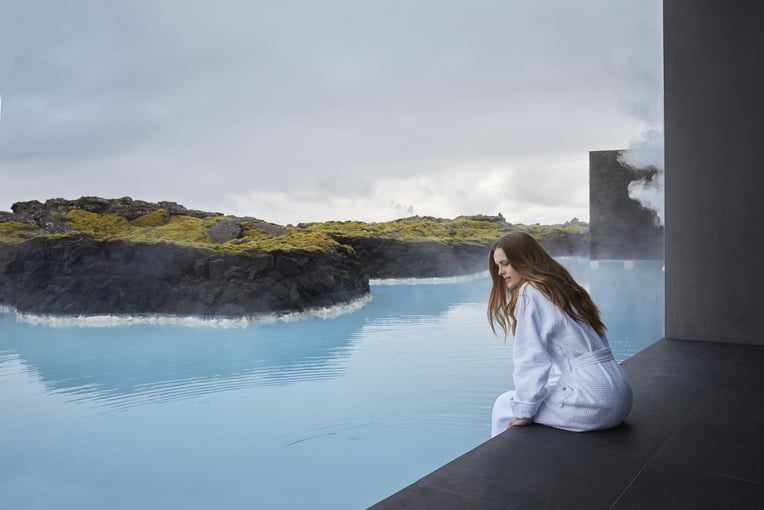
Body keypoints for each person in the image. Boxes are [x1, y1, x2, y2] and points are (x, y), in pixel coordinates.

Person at [487, 231, 632, 437]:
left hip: (595, 402)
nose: (500, 272)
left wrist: (524, 412)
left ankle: (499, 467)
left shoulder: (530, 292)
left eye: (505, 263)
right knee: (540, 390)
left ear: (525, 260)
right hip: (621, 394)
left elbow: (531, 358)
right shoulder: (562, 288)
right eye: (498, 265)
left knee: (504, 405)